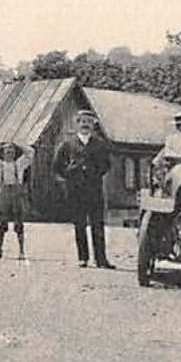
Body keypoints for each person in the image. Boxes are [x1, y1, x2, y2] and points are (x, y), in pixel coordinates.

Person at [53, 109, 114, 268]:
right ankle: (83, 258)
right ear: (77, 123)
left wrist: (95, 173)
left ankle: (101, 259)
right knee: (79, 224)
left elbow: (107, 165)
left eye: (88, 121)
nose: (85, 124)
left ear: (93, 124)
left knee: (98, 225)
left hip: (94, 190)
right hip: (76, 191)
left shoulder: (100, 144)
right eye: (82, 121)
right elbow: (57, 165)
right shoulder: (68, 144)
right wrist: (70, 175)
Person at [0, 139, 34, 260]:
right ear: (3, 153)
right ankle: (0, 250)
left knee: (19, 222)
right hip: (3, 192)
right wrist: (0, 142)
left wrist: (18, 143)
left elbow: (30, 152)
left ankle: (21, 252)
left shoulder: (20, 163)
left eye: (11, 151)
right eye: (7, 151)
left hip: (17, 192)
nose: (9, 153)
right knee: (2, 223)